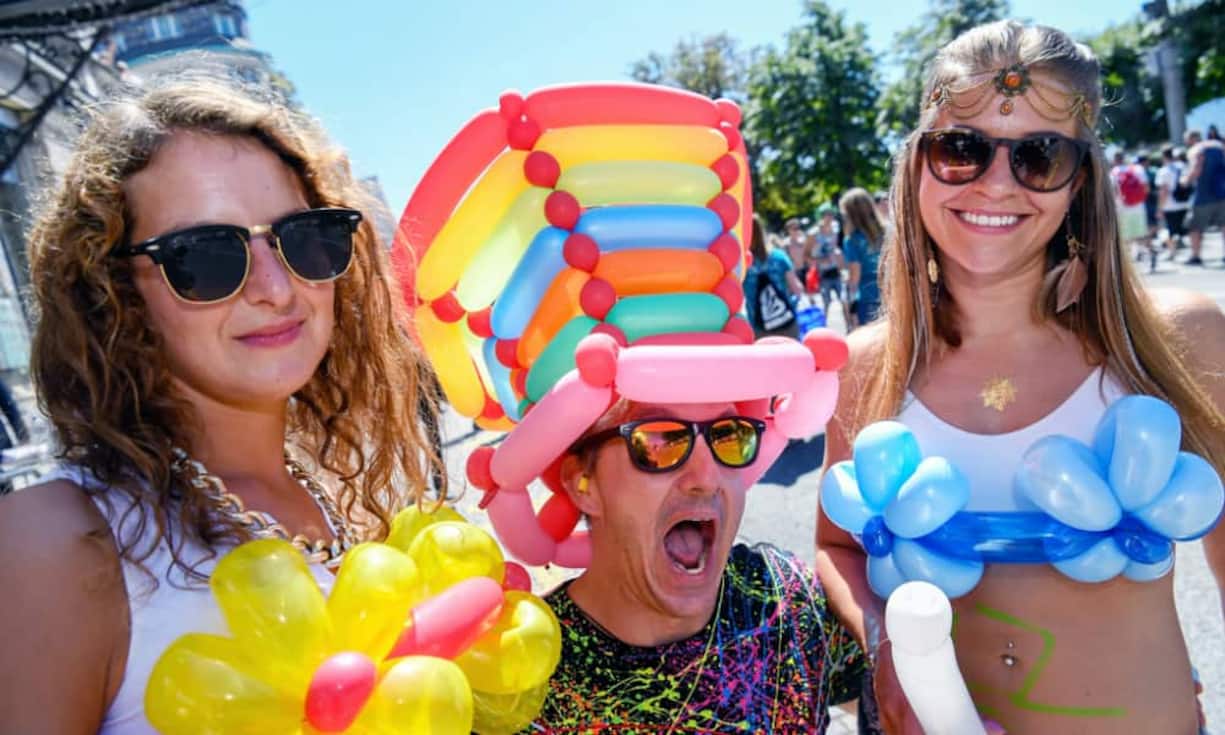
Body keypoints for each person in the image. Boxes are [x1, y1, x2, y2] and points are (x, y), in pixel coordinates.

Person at [0, 67, 441, 732]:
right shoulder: (55, 540)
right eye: (205, 255)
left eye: (304, 238)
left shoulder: (345, 495)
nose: (274, 286)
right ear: (117, 296)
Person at [817, 20, 1224, 735]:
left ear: (1081, 180)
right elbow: (837, 545)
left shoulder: (1175, 338)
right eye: (959, 148)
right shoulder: (864, 366)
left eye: (1039, 156)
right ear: (916, 164)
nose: (996, 184)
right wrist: (879, 644)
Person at [532, 398, 878, 733]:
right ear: (583, 483)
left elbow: (878, 699)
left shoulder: (784, 597)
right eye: (661, 440)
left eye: (729, 436)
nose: (707, 478)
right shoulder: (527, 675)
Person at [744, 217, 804, 338]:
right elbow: (797, 289)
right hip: (786, 323)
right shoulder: (779, 256)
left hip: (759, 327)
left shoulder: (744, 263)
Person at [839, 188, 886, 328]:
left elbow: (854, 278)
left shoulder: (852, 240)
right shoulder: (889, 230)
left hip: (868, 299)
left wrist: (846, 280)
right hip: (894, 292)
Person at [1181, 128, 1225, 266]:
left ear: (1191, 138)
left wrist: (1185, 181)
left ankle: (1196, 255)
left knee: (1194, 227)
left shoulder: (1195, 149)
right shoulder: (1218, 145)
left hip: (1203, 195)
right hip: (1222, 192)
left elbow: (1197, 168)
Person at [811, 203, 850, 330]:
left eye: (831, 214)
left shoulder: (837, 229)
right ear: (821, 216)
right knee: (826, 303)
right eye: (826, 214)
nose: (829, 217)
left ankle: (849, 327)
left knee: (845, 300)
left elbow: (840, 249)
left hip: (837, 271)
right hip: (823, 274)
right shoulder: (813, 234)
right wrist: (821, 259)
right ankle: (823, 329)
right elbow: (806, 256)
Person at [1110, 150, 1151, 265]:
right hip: (1139, 206)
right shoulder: (1137, 169)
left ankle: (1127, 262)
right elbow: (1146, 188)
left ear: (1115, 160)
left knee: (1124, 236)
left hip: (1122, 208)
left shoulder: (1114, 172)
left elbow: (1114, 193)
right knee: (1141, 233)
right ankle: (1151, 253)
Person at [1156, 144, 1192, 260]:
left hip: (1170, 206)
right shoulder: (1182, 166)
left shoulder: (1163, 171)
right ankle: (1186, 250)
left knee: (1170, 231)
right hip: (1184, 203)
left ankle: (1172, 253)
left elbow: (1164, 191)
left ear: (1163, 156)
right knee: (1182, 229)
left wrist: (1160, 208)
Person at [784, 216, 813, 288]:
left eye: (797, 228)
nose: (797, 230)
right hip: (795, 272)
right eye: (794, 229)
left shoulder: (803, 240)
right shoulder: (786, 244)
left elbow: (809, 254)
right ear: (789, 230)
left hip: (807, 269)